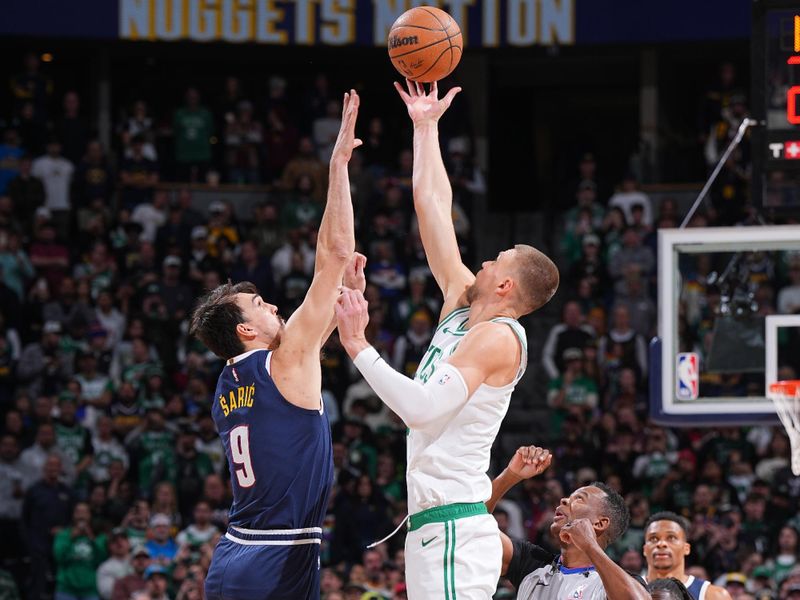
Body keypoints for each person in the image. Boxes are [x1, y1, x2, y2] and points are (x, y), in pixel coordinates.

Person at [334, 79, 560, 599]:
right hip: (432, 523)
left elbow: (424, 409)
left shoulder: (501, 339)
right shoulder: (461, 301)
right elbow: (432, 203)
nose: (481, 261)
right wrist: (425, 126)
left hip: (458, 528)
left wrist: (357, 345)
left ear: (504, 285)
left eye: (494, 261)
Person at [189, 89, 363, 600]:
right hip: (275, 557)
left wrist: (342, 306)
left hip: (238, 555)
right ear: (246, 332)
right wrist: (338, 164)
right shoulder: (284, 360)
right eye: (260, 306)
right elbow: (334, 252)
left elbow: (299, 367)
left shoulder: (228, 384)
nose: (273, 307)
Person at [485, 445, 648, 599]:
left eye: (579, 499)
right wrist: (511, 475)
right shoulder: (531, 563)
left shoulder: (614, 582)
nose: (563, 500)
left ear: (599, 523)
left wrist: (589, 545)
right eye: (568, 497)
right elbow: (471, 524)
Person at [643, 511, 731, 600]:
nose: (661, 544)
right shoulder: (629, 590)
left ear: (686, 548)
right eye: (653, 538)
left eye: (671, 537)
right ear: (645, 549)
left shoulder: (713, 596)